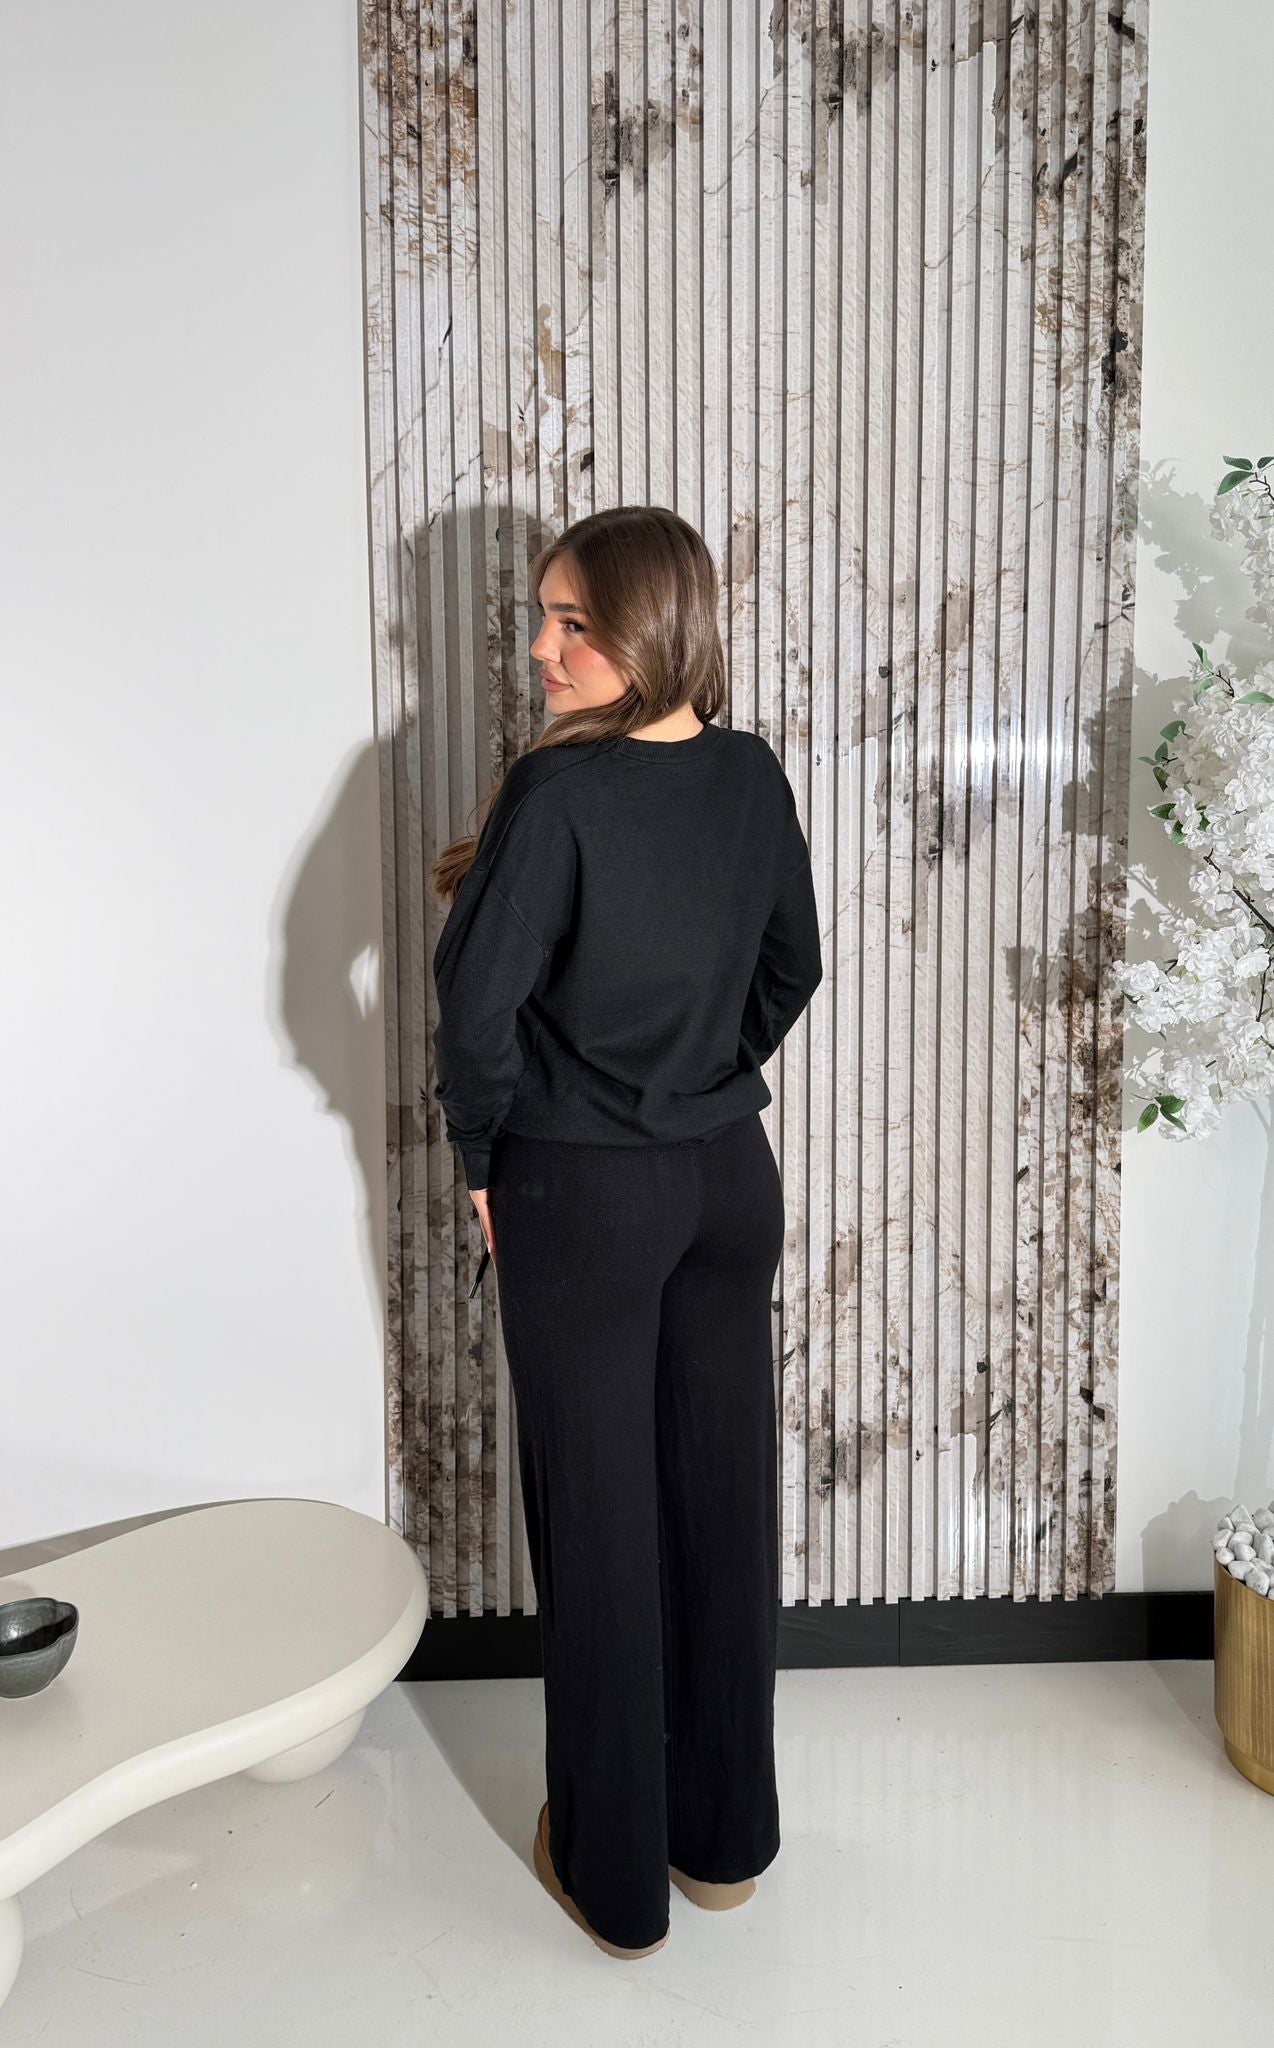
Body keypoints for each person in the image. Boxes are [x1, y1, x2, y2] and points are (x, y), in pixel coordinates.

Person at [429, 504, 823, 1958]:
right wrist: (699, 1080)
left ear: (653, 630)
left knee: (600, 1526)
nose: (542, 649)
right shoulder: (749, 772)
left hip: (582, 1196)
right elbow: (793, 964)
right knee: (721, 1503)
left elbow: (474, 1010)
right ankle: (722, 1847)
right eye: (543, 617)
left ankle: (615, 1881)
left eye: (573, 624)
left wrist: (487, 1151)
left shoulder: (558, 793)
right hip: (728, 1184)